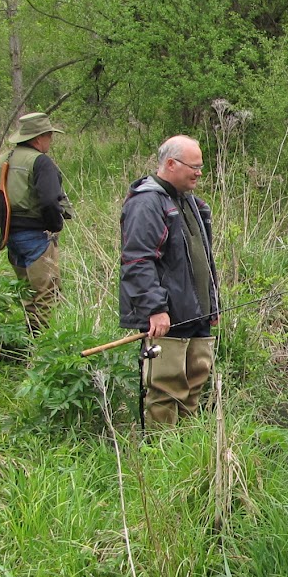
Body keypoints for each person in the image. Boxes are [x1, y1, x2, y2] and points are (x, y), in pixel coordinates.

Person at [119, 135, 220, 427]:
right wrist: (155, 308)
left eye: (202, 166)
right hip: (167, 317)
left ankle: (185, 449)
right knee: (165, 388)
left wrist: (211, 306)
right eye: (194, 166)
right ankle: (160, 457)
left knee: (193, 384)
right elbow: (138, 260)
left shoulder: (189, 202)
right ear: (171, 164)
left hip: (197, 313)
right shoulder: (147, 203)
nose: (199, 172)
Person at [0, 111, 72, 336]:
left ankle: (26, 343)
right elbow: (50, 200)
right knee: (47, 295)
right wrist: (54, 226)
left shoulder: (3, 160)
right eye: (49, 135)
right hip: (37, 236)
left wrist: (8, 223)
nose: (50, 140)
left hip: (10, 237)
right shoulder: (41, 162)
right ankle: (41, 348)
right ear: (39, 137)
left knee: (28, 295)